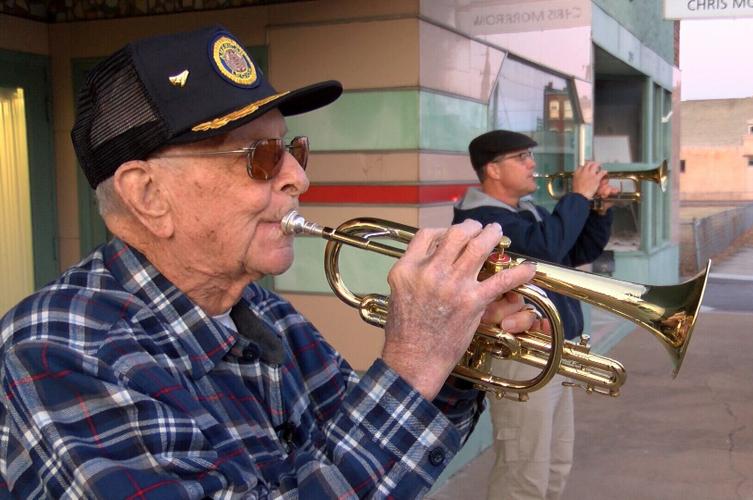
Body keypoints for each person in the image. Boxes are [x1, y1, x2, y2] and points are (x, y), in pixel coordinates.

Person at [0, 26, 541, 499]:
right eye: (259, 157)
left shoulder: (261, 310)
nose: (298, 178)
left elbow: (362, 459)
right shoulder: (59, 348)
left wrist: (452, 352)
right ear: (148, 195)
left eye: (292, 149)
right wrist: (414, 361)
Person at [452, 130, 617, 499]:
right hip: (520, 356)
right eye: (522, 157)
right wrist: (579, 196)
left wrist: (600, 209)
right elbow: (546, 247)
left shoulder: (528, 213)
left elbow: (575, 252)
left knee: (556, 465)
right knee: (523, 475)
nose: (532, 164)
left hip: (552, 349)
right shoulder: (482, 221)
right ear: (493, 169)